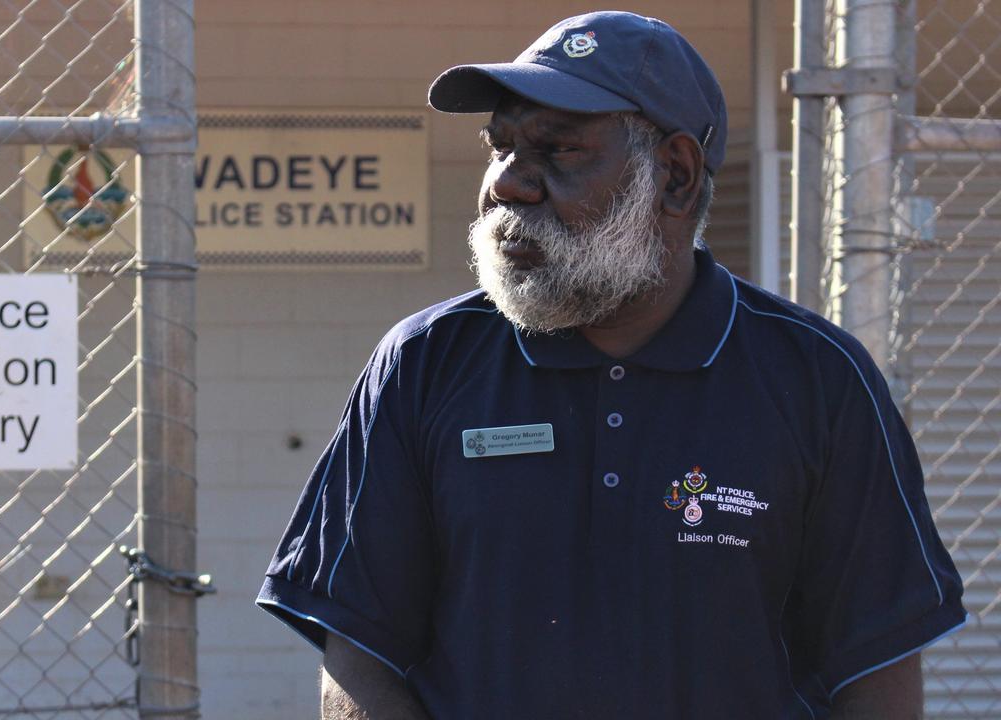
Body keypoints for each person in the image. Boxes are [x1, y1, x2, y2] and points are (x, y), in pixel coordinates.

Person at [255, 11, 966, 719]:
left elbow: (875, 672)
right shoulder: (424, 364)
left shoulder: (818, 379)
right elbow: (359, 656)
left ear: (677, 177)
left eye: (557, 151)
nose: (506, 184)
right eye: (499, 147)